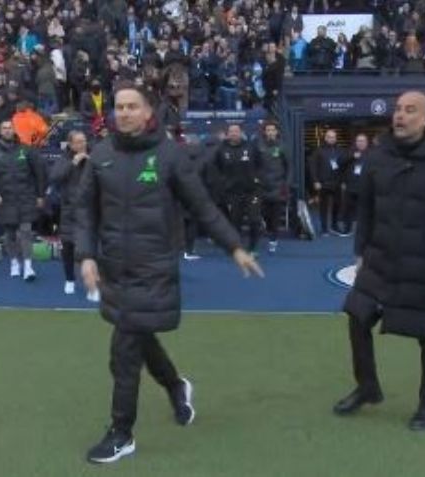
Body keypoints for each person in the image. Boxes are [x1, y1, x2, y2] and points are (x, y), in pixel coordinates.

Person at [76, 81, 263, 464]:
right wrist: (86, 255)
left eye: (132, 106)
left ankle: (121, 433)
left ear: (148, 113)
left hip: (153, 269)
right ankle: (177, 387)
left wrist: (235, 247)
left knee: (124, 350)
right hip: (114, 269)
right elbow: (84, 211)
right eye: (119, 106)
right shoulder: (100, 155)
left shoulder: (169, 156)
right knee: (140, 338)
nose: (124, 112)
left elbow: (203, 206)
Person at [336, 91, 425, 431]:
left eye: (410, 110)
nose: (400, 115)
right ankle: (368, 387)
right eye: (398, 109)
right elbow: (366, 207)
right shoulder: (378, 156)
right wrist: (360, 249)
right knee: (357, 317)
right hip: (380, 260)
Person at [0, 119, 47, 281]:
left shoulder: (26, 150)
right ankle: (14, 262)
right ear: (0, 131)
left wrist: (40, 195)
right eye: (4, 128)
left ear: (14, 130)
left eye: (9, 128)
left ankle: (28, 266)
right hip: (5, 199)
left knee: (26, 231)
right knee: (10, 234)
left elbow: (39, 173)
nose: (7, 130)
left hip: (26, 198)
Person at [49, 130, 90, 297]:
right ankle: (70, 280)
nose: (82, 145)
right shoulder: (64, 159)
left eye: (84, 141)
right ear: (71, 144)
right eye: (78, 142)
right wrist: (73, 162)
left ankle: (91, 283)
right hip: (69, 211)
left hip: (89, 210)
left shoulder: (91, 158)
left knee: (90, 250)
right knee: (68, 248)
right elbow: (55, 177)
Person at [213, 124, 264, 253]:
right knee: (235, 221)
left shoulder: (251, 147)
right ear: (227, 134)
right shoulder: (221, 149)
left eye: (236, 131)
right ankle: (237, 248)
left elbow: (261, 164)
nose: (234, 133)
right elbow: (216, 168)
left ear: (241, 133)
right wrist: (223, 183)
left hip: (252, 191)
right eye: (231, 131)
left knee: (254, 219)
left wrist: (258, 178)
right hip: (233, 192)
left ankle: (253, 247)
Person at [257, 121, 290, 253]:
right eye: (268, 130)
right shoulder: (259, 145)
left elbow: (289, 167)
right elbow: (254, 164)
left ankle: (273, 240)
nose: (270, 132)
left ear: (276, 132)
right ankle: (270, 231)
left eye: (273, 130)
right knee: (264, 214)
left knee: (275, 216)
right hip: (263, 187)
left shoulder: (283, 146)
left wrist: (286, 184)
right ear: (265, 132)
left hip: (278, 186)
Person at [309, 129, 347, 236]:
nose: (331, 139)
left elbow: (344, 167)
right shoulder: (318, 150)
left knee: (337, 205)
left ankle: (334, 226)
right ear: (325, 138)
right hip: (323, 183)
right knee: (323, 207)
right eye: (329, 137)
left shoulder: (340, 150)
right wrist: (315, 181)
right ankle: (324, 228)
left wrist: (344, 181)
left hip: (337, 183)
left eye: (333, 137)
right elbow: (313, 167)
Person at [340, 134, 370, 235]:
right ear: (355, 142)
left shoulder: (372, 154)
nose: (360, 143)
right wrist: (352, 157)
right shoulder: (349, 152)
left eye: (362, 141)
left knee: (364, 209)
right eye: (358, 141)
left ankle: (364, 230)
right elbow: (341, 163)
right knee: (348, 209)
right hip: (351, 186)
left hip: (365, 186)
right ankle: (347, 229)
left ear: (366, 142)